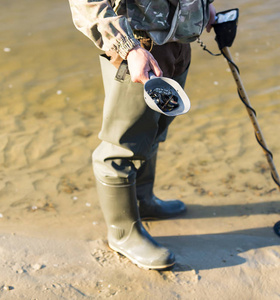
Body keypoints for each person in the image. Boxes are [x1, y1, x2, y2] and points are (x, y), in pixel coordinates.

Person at [68, 0, 216, 270]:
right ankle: (123, 233)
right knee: (121, 147)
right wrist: (128, 47)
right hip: (137, 49)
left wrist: (205, 7)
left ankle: (143, 201)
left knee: (154, 131)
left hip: (178, 40)